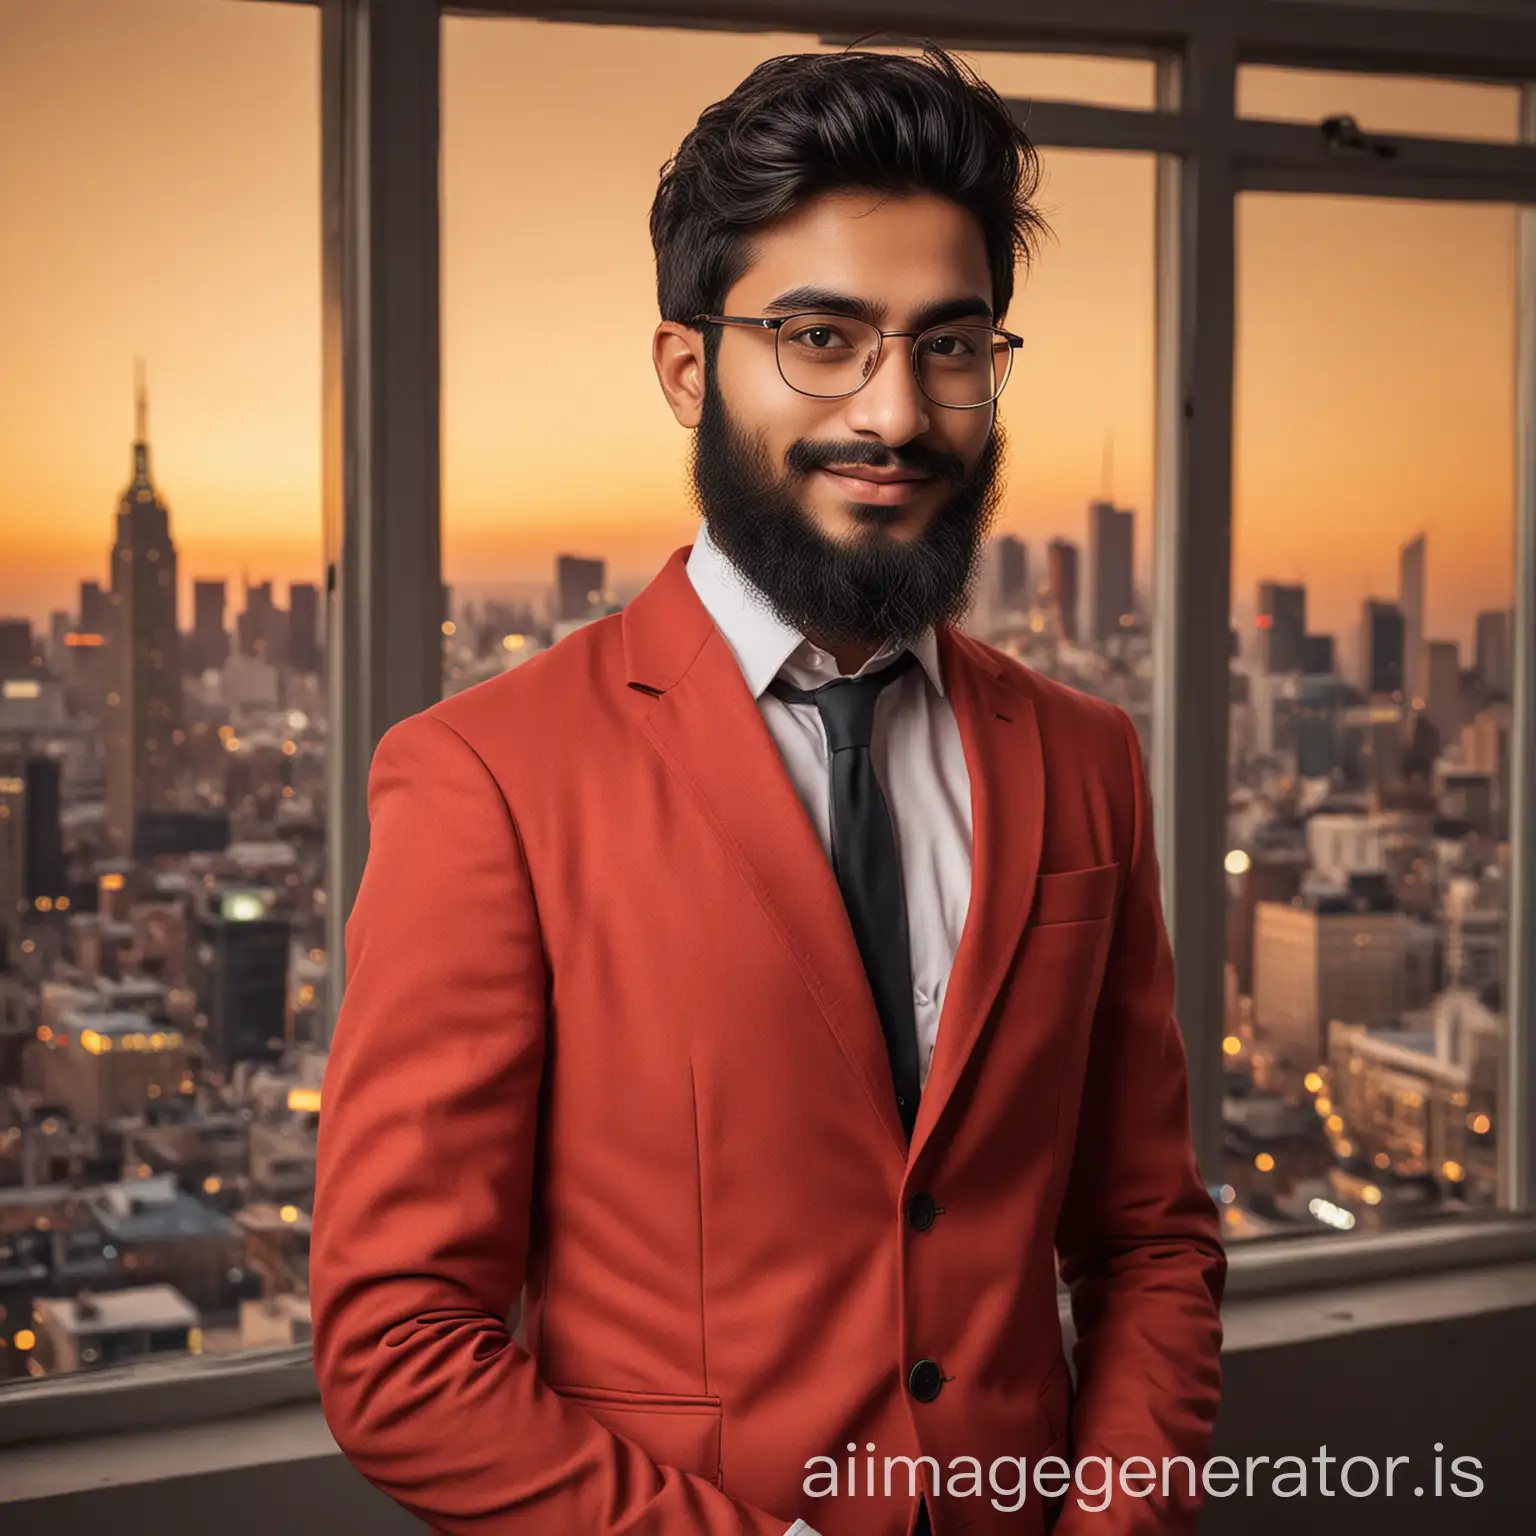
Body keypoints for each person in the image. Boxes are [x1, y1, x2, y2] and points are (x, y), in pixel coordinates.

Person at [311, 41, 1225, 1536]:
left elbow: (1147, 1241)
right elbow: (397, 1349)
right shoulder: (487, 777)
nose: (896, 414)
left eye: (950, 344)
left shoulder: (1085, 759)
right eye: (820, 335)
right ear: (689, 368)